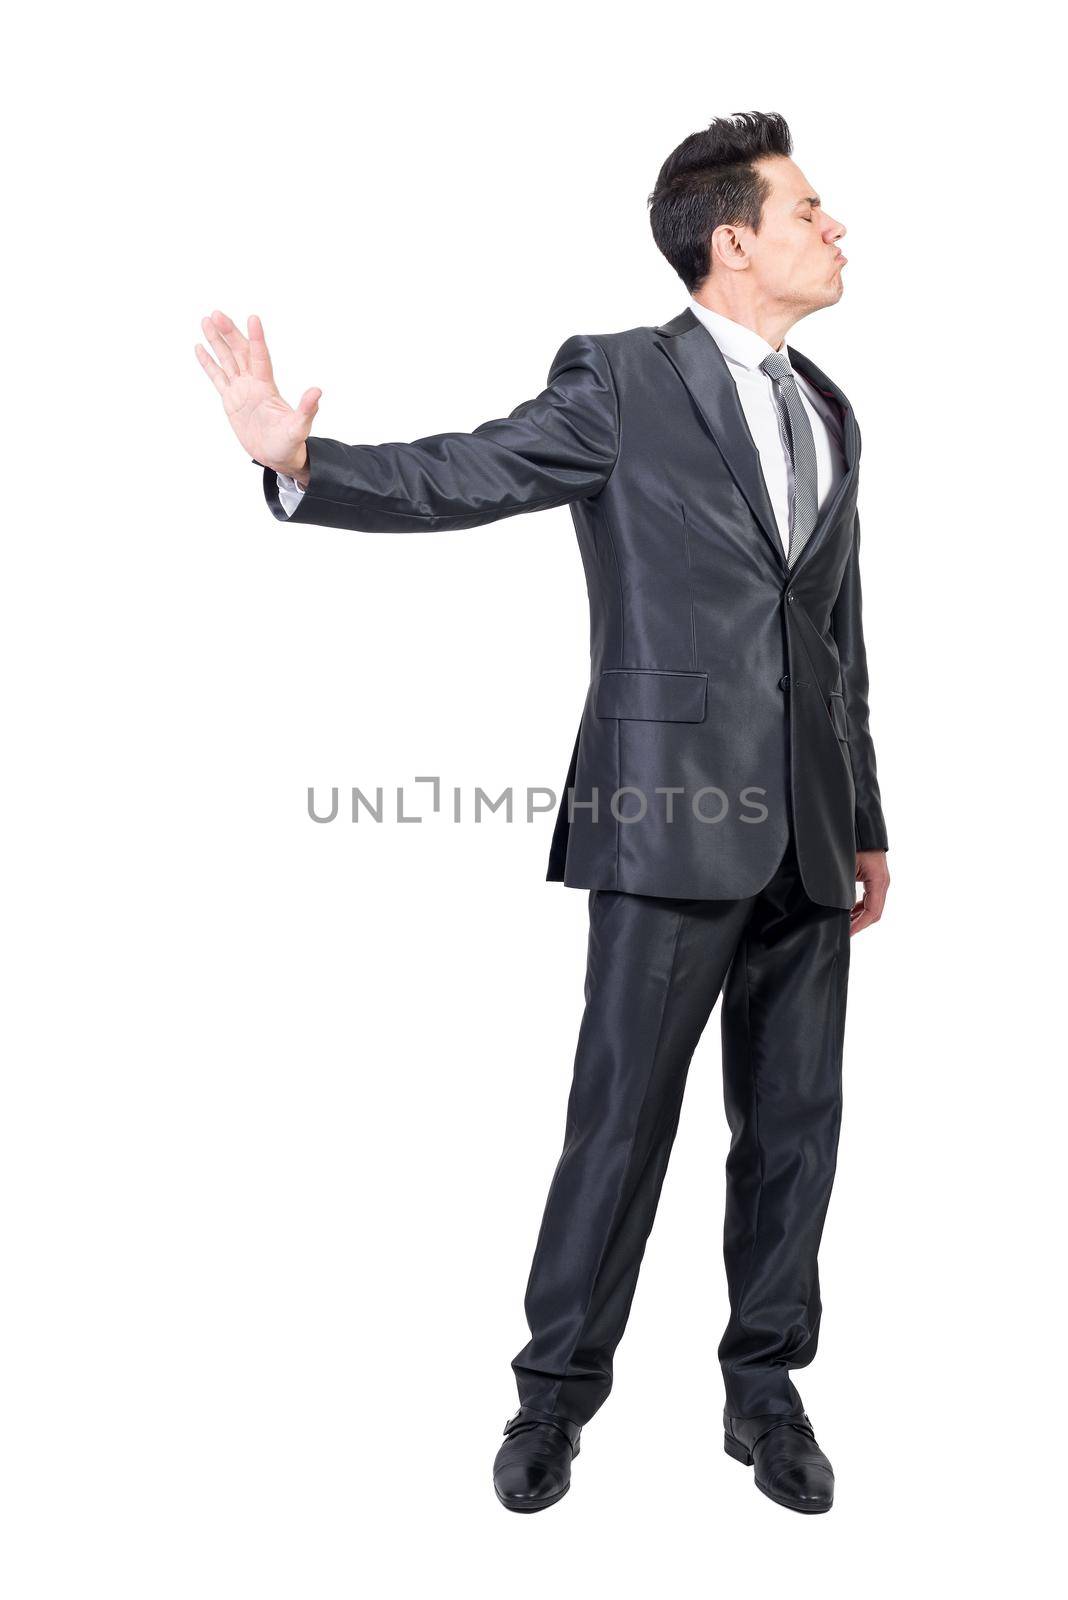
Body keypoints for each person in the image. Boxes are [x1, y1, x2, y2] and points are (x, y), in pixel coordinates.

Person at [195, 109, 890, 1517]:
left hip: (810, 833)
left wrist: (867, 813)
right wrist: (300, 462)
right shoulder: (626, 380)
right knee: (620, 1122)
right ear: (732, 238)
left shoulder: (831, 408)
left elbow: (839, 635)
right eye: (810, 209)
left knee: (797, 1126)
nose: (836, 229)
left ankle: (764, 1396)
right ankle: (552, 1401)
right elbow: (473, 469)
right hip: (667, 821)